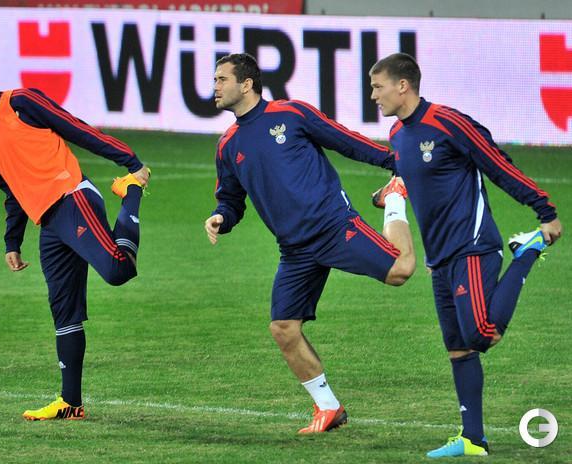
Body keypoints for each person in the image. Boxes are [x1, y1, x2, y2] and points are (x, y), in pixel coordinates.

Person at [204, 52, 416, 434]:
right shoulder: (227, 145)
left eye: (222, 79)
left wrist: (393, 163)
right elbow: (231, 199)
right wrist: (222, 217)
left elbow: (344, 140)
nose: (215, 87)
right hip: (294, 250)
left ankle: (394, 198)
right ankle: (328, 407)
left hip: (334, 226)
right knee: (283, 327)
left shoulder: (291, 114)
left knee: (401, 269)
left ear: (246, 84)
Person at [369, 53, 563, 458]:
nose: (373, 95)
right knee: (458, 347)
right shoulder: (397, 134)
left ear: (402, 86)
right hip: (440, 257)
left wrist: (543, 208)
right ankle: (474, 439)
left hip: (472, 246)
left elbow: (497, 164)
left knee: (482, 333)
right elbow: (413, 180)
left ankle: (527, 252)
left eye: (378, 86)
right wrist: (388, 192)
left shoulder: (448, 123)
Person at [0, 53, 150, 421]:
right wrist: (12, 241)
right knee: (64, 313)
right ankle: (70, 403)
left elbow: (74, 128)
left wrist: (129, 160)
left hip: (73, 198)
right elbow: (11, 189)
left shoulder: (21, 102)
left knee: (119, 270)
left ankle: (131, 191)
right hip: (49, 223)